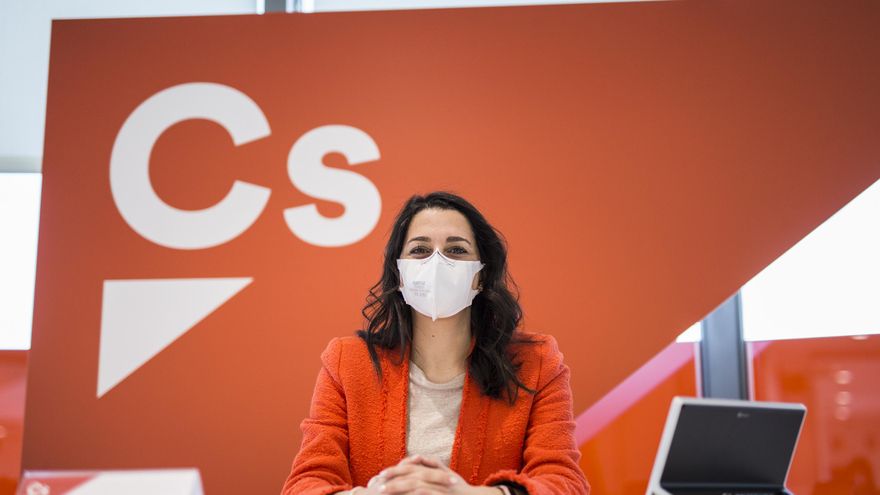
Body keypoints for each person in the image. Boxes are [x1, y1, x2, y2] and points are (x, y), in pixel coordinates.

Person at [281, 192, 589, 495]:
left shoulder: (536, 363)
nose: (437, 262)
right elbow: (304, 484)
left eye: (456, 250)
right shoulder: (347, 362)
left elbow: (564, 483)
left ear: (480, 276)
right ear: (399, 274)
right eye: (420, 250)